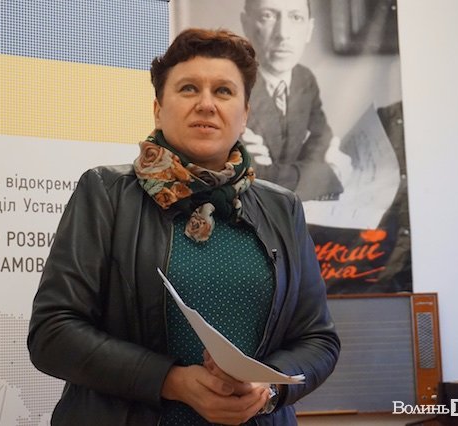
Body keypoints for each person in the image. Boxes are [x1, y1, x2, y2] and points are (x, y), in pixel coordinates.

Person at [28, 28, 339, 426]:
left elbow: (318, 339)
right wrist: (171, 381)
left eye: (223, 91)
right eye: (189, 88)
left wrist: (269, 389)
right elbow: (53, 333)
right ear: (158, 109)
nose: (206, 104)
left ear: (245, 114)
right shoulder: (105, 193)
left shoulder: (283, 207)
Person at [241, 0, 344, 201]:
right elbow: (254, 177)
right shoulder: (231, 87)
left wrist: (305, 172)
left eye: (296, 17)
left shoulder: (304, 79)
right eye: (268, 16)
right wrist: (325, 175)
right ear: (246, 24)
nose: (283, 34)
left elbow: (321, 136)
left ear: (309, 29)